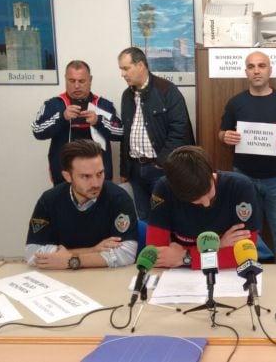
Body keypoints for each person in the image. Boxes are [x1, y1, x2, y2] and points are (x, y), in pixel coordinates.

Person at [219, 51, 276, 261]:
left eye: (261, 66)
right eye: (251, 66)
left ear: (270, 70)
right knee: (245, 232)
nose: (256, 70)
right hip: (243, 177)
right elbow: (222, 132)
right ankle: (253, 272)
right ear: (246, 71)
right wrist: (225, 137)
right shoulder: (235, 103)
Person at [25, 140, 138, 270]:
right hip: (60, 280)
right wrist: (92, 250)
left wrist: (73, 260)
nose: (96, 183)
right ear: (67, 176)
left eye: (100, 174)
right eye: (86, 176)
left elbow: (127, 253)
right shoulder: (49, 200)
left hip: (104, 278)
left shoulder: (119, 198)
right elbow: (32, 252)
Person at [145, 146, 261, 270]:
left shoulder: (240, 187)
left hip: (226, 273)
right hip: (180, 275)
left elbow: (246, 256)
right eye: (196, 199)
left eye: (209, 191)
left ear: (211, 173)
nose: (206, 203)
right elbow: (156, 255)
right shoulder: (164, 189)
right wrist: (219, 247)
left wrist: (185, 256)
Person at [118, 47, 194, 222]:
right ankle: (149, 249)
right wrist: (124, 169)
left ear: (141, 65)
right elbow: (125, 134)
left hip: (160, 169)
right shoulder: (126, 95)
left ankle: (166, 250)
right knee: (143, 218)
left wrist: (162, 162)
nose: (123, 74)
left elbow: (179, 129)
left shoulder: (167, 90)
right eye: (121, 69)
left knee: (165, 218)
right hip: (136, 170)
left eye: (126, 68)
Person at [32, 60, 123, 185]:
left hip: (98, 179)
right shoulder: (53, 104)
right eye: (72, 81)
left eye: (81, 81)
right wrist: (62, 117)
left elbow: (120, 133)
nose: (76, 86)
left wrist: (98, 121)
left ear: (90, 80)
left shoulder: (104, 104)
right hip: (64, 178)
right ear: (65, 79)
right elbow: (37, 131)